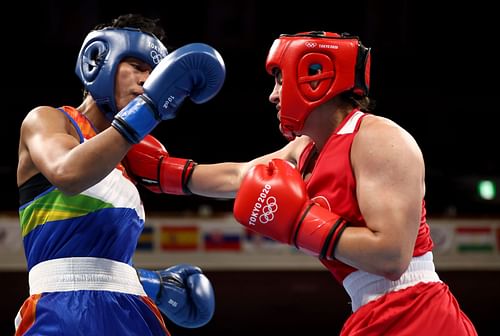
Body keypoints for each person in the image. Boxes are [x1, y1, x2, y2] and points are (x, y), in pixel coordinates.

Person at [125, 31, 478, 335]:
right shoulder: (306, 149)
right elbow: (238, 176)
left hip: (418, 311)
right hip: (368, 313)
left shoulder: (378, 138)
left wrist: (299, 224)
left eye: (279, 80)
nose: (273, 96)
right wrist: (162, 172)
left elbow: (391, 257)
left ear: (315, 77)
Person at [15, 13, 225, 335]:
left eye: (156, 75)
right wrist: (151, 108)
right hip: (60, 310)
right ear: (98, 61)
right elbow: (67, 172)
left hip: (131, 309)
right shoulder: (48, 121)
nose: (147, 81)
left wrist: (298, 151)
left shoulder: (132, 154)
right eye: (138, 68)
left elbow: (214, 177)